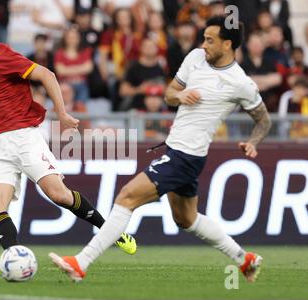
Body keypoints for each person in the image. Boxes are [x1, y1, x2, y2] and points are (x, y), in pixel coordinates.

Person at [49, 15, 271, 283]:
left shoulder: (240, 82)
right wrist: (180, 96)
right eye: (204, 38)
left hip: (186, 157)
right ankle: (244, 259)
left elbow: (263, 119)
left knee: (127, 196)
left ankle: (81, 262)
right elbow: (169, 93)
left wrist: (253, 142)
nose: (204, 45)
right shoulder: (195, 58)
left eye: (210, 40)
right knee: (186, 219)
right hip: (178, 151)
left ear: (227, 45)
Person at [0, 18, 137, 275]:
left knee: (58, 194)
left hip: (23, 136)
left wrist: (61, 112)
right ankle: (12, 257)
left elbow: (46, 74)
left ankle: (113, 231)